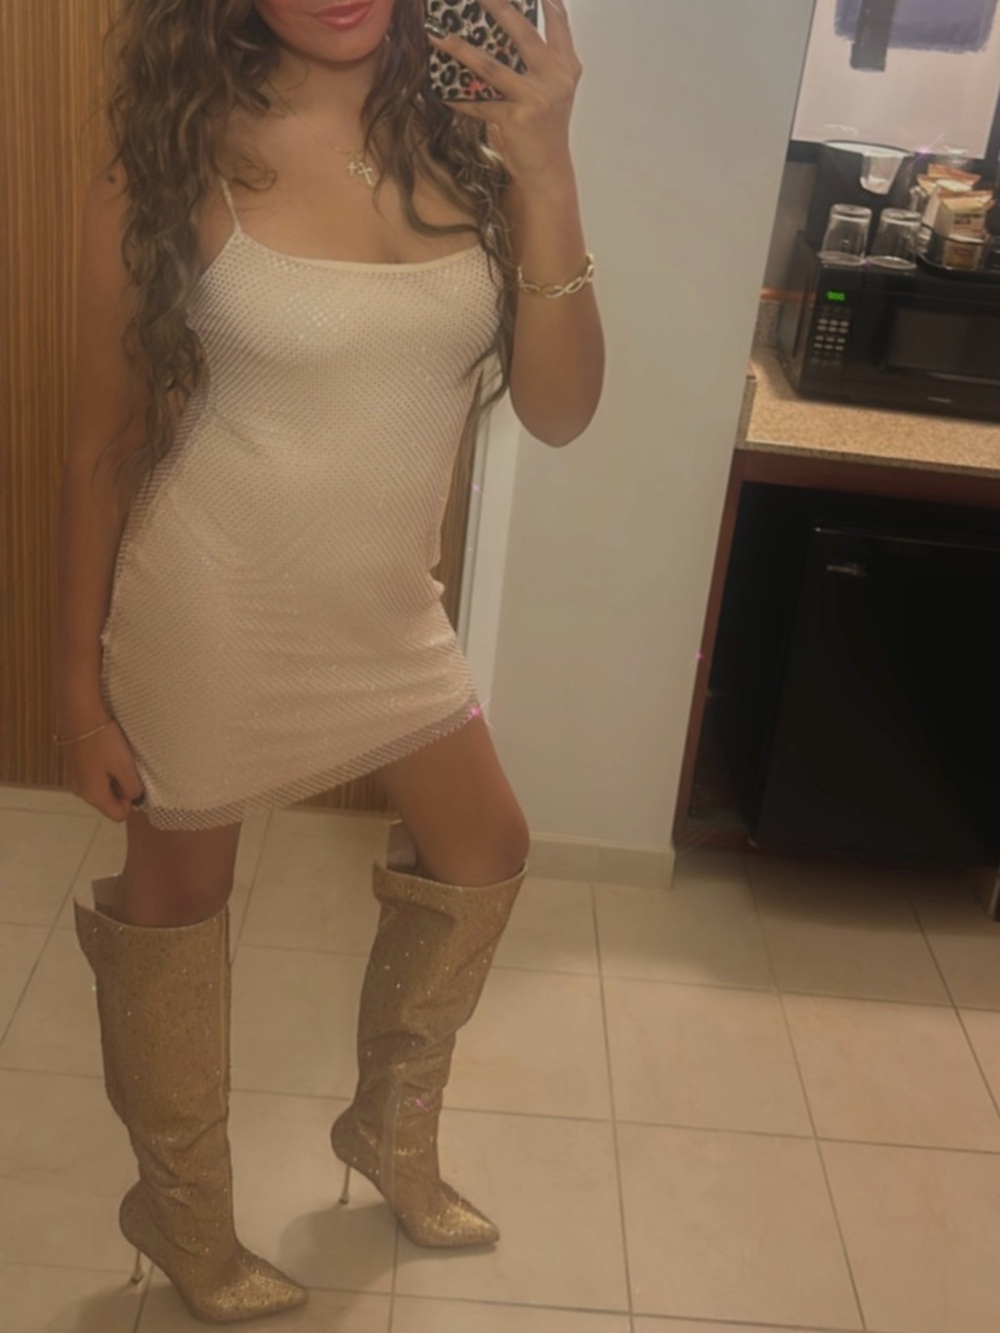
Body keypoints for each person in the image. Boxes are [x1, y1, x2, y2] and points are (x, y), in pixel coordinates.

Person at [54, 0, 603, 1322]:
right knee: (174, 917)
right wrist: (75, 689)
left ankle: (390, 1133)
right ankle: (184, 1216)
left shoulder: (472, 138)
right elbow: (102, 443)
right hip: (211, 610)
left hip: (388, 611)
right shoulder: (177, 148)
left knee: (487, 848)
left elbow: (562, 410)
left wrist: (547, 171)